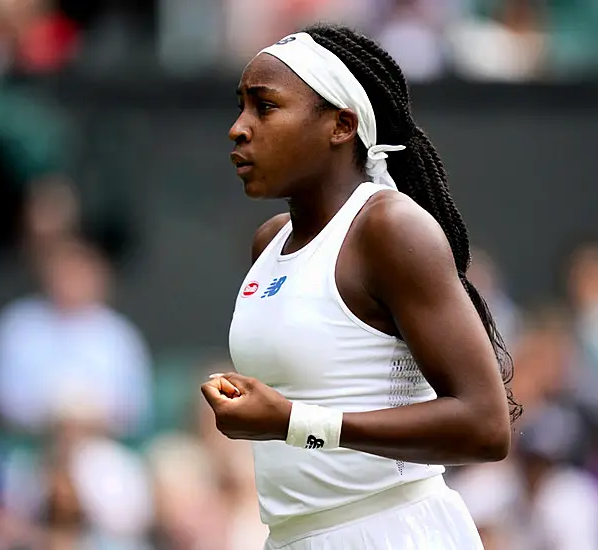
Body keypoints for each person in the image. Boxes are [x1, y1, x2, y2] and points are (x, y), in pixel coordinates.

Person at [201, 23, 519, 549]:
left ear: (341, 125)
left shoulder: (390, 228)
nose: (238, 128)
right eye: (240, 107)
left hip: (394, 532)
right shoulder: (269, 242)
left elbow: (486, 427)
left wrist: (296, 422)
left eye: (265, 107)